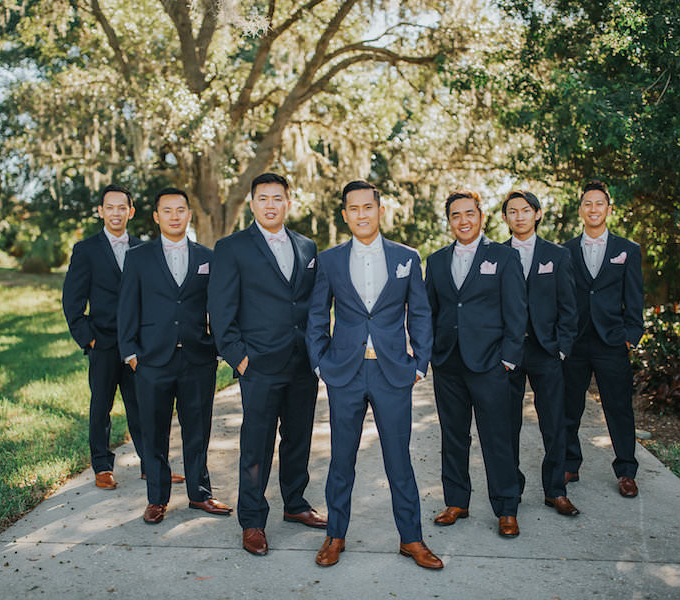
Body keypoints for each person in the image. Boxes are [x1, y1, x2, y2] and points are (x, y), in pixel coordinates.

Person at [307, 180, 442, 570]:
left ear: (380, 211)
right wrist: (320, 361)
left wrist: (419, 363)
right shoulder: (330, 260)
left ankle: (412, 539)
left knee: (399, 459)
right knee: (341, 459)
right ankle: (335, 535)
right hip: (345, 373)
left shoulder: (407, 256)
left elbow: (419, 312)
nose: (362, 214)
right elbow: (317, 314)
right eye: (354, 208)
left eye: (369, 207)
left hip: (392, 373)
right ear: (345, 214)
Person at [208, 173, 325, 557]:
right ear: (253, 203)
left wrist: (318, 349)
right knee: (256, 445)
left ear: (288, 202)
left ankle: (295, 503)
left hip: (302, 363)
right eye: (263, 198)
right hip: (257, 364)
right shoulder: (231, 248)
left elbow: (312, 304)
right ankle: (253, 520)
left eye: (278, 198)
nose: (270, 204)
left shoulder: (307, 246)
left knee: (299, 438)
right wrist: (238, 358)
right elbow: (221, 311)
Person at [117, 187, 232, 524]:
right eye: (166, 211)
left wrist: (217, 347)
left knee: (198, 430)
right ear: (156, 216)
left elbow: (221, 306)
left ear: (189, 214)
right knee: (154, 432)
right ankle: (157, 498)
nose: (174, 216)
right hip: (152, 360)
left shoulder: (208, 257)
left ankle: (200, 494)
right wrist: (130, 354)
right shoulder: (137, 257)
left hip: (198, 359)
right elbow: (127, 308)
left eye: (180, 210)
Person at [424, 190, 526, 538]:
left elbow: (517, 313)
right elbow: (430, 312)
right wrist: (431, 355)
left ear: (481, 216)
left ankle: (507, 507)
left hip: (491, 365)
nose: (463, 220)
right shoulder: (436, 261)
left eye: (469, 213)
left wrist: (509, 361)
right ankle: (456, 501)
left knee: (497, 438)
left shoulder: (504, 257)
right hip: (448, 363)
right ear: (449, 220)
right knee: (453, 436)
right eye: (456, 215)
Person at [62, 184, 155, 489]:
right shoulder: (85, 250)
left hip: (137, 345)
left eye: (121, 207)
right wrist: (88, 339)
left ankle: (150, 464)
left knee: (142, 405)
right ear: (100, 212)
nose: (116, 213)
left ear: (131, 212)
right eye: (109, 207)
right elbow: (72, 301)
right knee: (101, 405)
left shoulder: (145, 249)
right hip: (102, 342)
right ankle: (102, 466)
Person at [562, 180, 645, 498]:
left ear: (609, 210)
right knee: (570, 407)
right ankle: (570, 462)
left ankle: (626, 470)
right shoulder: (565, 252)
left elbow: (635, 297)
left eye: (599, 204)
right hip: (576, 342)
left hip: (612, 341)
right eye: (587, 203)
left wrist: (630, 336)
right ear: (580, 210)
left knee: (619, 408)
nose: (593, 209)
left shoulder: (628, 250)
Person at [501, 190, 580, 517]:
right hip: (509, 352)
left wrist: (562, 349)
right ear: (505, 218)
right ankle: (512, 489)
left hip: (547, 351)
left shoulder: (557, 256)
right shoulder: (496, 255)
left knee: (554, 422)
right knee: (507, 424)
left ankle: (555, 491)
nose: (518, 216)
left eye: (525, 210)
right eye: (511, 211)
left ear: (537, 214)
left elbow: (569, 307)